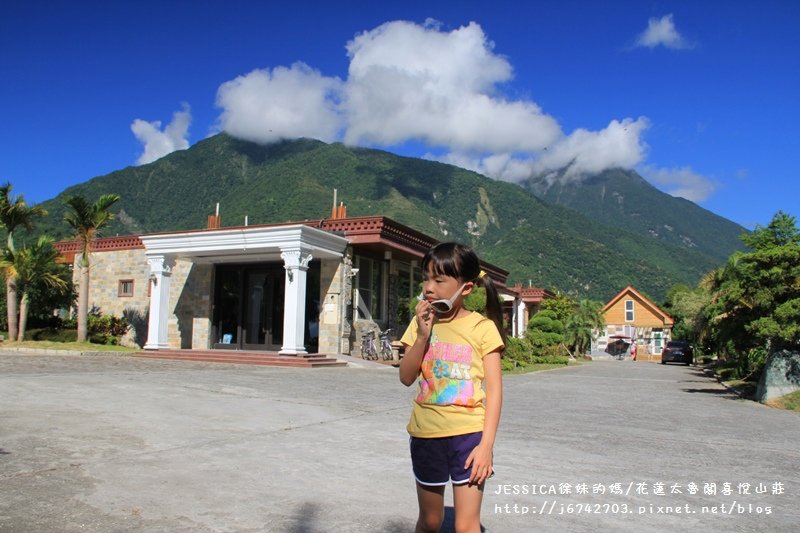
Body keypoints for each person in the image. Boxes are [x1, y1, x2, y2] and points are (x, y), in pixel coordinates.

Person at [399, 242, 507, 533]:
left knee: (466, 525)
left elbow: (495, 391)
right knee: (431, 521)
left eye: (439, 280)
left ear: (466, 288)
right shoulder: (421, 323)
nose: (428, 288)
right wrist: (422, 336)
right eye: (425, 278)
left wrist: (486, 446)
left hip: (469, 438)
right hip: (426, 435)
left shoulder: (482, 328)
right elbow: (406, 377)